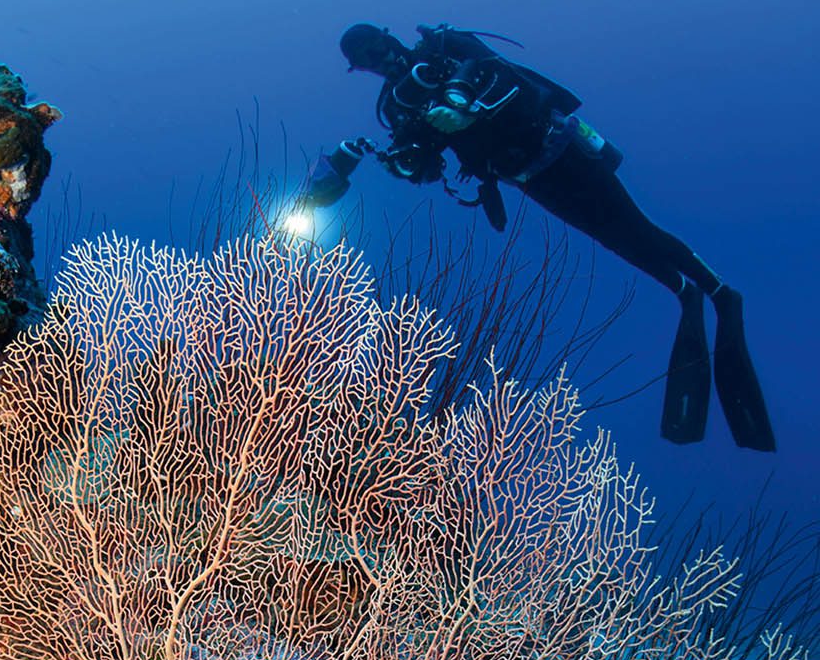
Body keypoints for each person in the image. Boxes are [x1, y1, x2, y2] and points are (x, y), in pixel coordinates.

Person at [302, 23, 774, 451]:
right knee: (615, 239)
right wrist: (402, 163)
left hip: (561, 148)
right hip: (529, 177)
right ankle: (683, 291)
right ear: (359, 68)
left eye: (377, 46)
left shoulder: (445, 46)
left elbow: (504, 76)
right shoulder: (398, 107)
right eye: (366, 59)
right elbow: (425, 165)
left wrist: (464, 103)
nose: (379, 59)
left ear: (389, 36)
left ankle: (720, 293)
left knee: (634, 226)